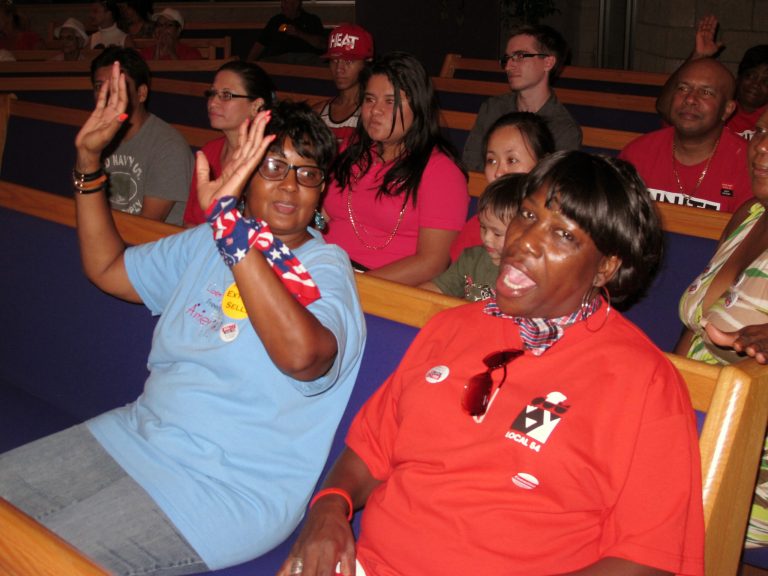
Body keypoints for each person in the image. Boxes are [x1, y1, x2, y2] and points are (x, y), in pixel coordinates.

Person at [0, 62, 366, 575]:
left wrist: (233, 234)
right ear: (245, 165)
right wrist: (88, 164)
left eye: (308, 173)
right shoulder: (209, 240)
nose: (290, 186)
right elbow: (108, 270)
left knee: (26, 560)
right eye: (273, 165)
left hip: (223, 489)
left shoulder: (325, 268)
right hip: (135, 435)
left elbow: (304, 358)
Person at [279, 150, 705, 576]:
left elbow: (648, 560)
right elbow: (370, 451)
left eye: (564, 236)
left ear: (605, 268)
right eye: (528, 214)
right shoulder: (450, 327)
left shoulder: (643, 381)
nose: (525, 241)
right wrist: (329, 509)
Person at [676, 107, 768, 548]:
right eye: (761, 131)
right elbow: (697, 324)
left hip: (753, 450)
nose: (762, 147)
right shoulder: (750, 213)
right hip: (696, 417)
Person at [322, 51, 469, 286]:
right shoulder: (351, 149)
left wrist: (354, 287)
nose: (375, 110)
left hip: (381, 287)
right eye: (369, 99)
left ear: (418, 107)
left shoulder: (441, 172)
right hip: (325, 269)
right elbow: (324, 217)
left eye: (390, 101)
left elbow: (432, 262)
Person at [620, 57, 752, 212]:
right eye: (683, 88)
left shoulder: (749, 165)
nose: (690, 99)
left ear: (727, 109)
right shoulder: (637, 154)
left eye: (706, 92)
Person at [90, 47, 193, 225]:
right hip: (108, 237)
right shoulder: (97, 138)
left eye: (118, 86)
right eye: (100, 87)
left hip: (150, 245)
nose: (107, 95)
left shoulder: (168, 145)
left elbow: (145, 227)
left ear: (141, 93)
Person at [461, 24, 581, 171]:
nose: (508, 66)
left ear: (548, 62)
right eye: (507, 58)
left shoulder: (564, 129)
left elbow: (550, 186)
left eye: (520, 56)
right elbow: (470, 165)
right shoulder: (492, 108)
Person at [450, 111, 554, 260]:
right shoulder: (480, 224)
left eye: (511, 160)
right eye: (491, 160)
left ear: (543, 164)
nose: (498, 172)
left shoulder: (554, 231)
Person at [184, 60, 276, 227]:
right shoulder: (208, 152)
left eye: (226, 95)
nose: (212, 103)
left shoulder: (271, 162)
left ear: (256, 106)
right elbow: (190, 222)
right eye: (212, 93)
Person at [656, 15, 768, 140]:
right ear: (739, 78)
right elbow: (665, 108)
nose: (755, 84)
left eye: (765, 81)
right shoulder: (714, 105)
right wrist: (698, 56)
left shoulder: (765, 118)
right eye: (750, 76)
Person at [420, 173, 524, 301]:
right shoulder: (471, 258)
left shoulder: (527, 275)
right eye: (483, 227)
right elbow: (439, 289)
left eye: (497, 234)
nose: (486, 238)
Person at [313, 23, 374, 145]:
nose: (339, 68)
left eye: (349, 61)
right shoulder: (318, 113)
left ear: (366, 63)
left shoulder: (373, 113)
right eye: (334, 60)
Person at [246, 0, 326, 63]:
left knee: (321, 64)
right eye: (282, 2)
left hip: (305, 59)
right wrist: (248, 64)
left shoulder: (311, 20)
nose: (282, 5)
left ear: (296, 4)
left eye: (286, 2)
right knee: (264, 63)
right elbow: (260, 43)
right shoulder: (276, 21)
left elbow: (322, 44)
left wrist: (299, 33)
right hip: (279, 60)